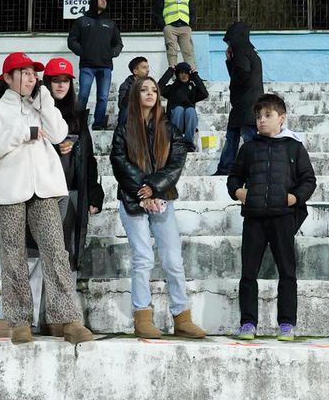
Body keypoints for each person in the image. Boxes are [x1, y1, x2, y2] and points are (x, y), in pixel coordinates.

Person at [0, 58, 105, 337]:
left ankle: (67, 318)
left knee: (56, 252)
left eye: (34, 73)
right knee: (13, 255)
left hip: (46, 189)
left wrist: (45, 99)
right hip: (9, 190)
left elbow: (60, 134)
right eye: (23, 73)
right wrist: (23, 133)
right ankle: (18, 320)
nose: (31, 78)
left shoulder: (41, 104)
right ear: (8, 78)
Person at [110, 77, 205, 340]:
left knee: (173, 260)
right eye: (144, 90)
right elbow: (118, 161)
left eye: (154, 90)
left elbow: (176, 163)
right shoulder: (124, 129)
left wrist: (155, 187)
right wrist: (143, 190)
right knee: (143, 258)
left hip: (163, 198)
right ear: (135, 95)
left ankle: (181, 316)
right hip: (133, 199)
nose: (150, 94)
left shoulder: (170, 128)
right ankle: (142, 316)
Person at [227, 93, 317, 341]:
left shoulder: (294, 147)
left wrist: (294, 198)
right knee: (248, 273)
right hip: (254, 218)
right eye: (258, 117)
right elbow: (233, 176)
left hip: (282, 218)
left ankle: (286, 323)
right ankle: (247, 323)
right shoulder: (249, 148)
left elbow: (308, 180)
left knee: (287, 272)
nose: (261, 121)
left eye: (268, 115)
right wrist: (238, 191)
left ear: (282, 118)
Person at [66, 0, 122, 131]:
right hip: (87, 66)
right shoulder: (82, 21)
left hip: (105, 66)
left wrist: (112, 54)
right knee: (83, 95)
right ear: (94, 1)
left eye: (105, 0)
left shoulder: (110, 23)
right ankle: (77, 123)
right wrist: (83, 52)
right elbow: (72, 40)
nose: (104, 1)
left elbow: (118, 44)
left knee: (103, 97)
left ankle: (98, 123)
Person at [215, 21, 263, 176]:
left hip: (245, 103)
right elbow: (239, 74)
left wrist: (232, 65)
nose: (228, 44)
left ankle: (255, 169)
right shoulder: (250, 51)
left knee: (248, 137)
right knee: (233, 135)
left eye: (229, 41)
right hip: (246, 102)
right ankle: (225, 168)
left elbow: (241, 75)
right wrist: (230, 62)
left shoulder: (241, 50)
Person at [159, 62, 208, 144]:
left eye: (186, 73)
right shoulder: (172, 88)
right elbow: (158, 88)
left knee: (190, 110)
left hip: (189, 123)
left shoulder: (193, 89)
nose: (184, 75)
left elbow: (204, 94)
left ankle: (188, 142)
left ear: (189, 74)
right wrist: (170, 71)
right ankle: (175, 141)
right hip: (174, 121)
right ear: (178, 74)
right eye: (181, 73)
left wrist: (195, 75)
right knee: (178, 109)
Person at [156, 0, 195, 68]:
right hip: (170, 26)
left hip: (185, 25)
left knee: (188, 52)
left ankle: (191, 75)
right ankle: (173, 76)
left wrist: (191, 24)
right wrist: (163, 25)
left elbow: (192, 8)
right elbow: (157, 9)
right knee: (171, 52)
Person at [117, 56, 150, 128]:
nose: (147, 70)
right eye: (144, 68)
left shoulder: (149, 85)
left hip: (145, 116)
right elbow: (122, 105)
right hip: (131, 117)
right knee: (126, 109)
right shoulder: (126, 85)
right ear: (135, 71)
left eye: (148, 67)